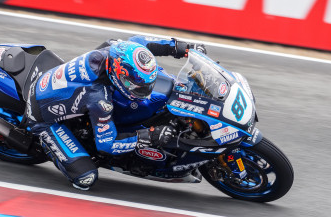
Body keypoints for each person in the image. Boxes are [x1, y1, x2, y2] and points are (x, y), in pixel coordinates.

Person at [24, 35, 206, 190]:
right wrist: (148, 136)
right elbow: (107, 144)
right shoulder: (98, 99)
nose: (144, 91)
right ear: (119, 74)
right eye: (136, 86)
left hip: (62, 87)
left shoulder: (121, 49)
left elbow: (144, 42)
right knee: (85, 179)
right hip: (42, 117)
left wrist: (183, 48)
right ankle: (47, 143)